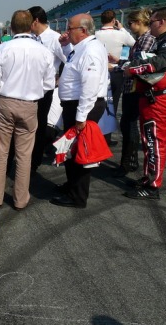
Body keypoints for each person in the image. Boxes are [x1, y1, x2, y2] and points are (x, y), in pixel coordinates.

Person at [0, 10, 55, 211]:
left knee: (0, 151)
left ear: (12, 27)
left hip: (5, 102)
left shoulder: (3, 49)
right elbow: (49, 84)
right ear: (32, 25)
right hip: (30, 104)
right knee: (25, 155)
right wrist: (32, 92)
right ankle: (20, 199)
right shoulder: (43, 51)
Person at [124, 7, 166, 199]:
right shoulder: (163, 39)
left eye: (152, 22)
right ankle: (148, 177)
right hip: (152, 97)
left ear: (162, 22)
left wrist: (132, 69)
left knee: (154, 142)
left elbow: (162, 62)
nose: (150, 26)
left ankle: (153, 186)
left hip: (159, 99)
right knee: (148, 140)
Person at [50, 14, 108, 209]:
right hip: (75, 104)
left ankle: (77, 196)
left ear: (83, 31)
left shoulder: (90, 50)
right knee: (71, 148)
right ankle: (72, 185)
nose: (67, 32)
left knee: (79, 150)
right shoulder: (81, 48)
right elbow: (72, 64)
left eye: (70, 29)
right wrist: (66, 45)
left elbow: (90, 85)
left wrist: (81, 115)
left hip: (83, 105)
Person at [112, 9, 155, 178]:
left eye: (130, 23)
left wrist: (120, 66)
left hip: (136, 87)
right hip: (132, 85)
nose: (129, 27)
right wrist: (120, 62)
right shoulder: (141, 39)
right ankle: (130, 160)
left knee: (129, 124)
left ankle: (127, 163)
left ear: (139, 22)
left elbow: (137, 63)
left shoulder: (146, 39)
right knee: (127, 124)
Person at [28, 6, 67, 172]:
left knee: (39, 126)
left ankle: (34, 162)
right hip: (27, 89)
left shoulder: (55, 39)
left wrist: (60, 80)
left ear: (35, 21)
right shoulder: (31, 38)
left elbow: (70, 61)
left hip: (44, 91)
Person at [95, 9, 136, 116]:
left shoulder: (95, 34)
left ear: (101, 21)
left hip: (99, 71)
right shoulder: (120, 34)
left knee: (97, 100)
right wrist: (122, 28)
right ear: (114, 21)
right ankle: (109, 128)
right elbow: (133, 43)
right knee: (113, 102)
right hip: (116, 70)